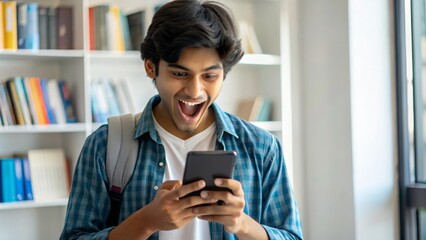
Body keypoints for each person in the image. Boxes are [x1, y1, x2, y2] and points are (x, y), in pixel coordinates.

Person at [60, 0, 303, 239]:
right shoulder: (104, 145)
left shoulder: (262, 148)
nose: (195, 90)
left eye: (209, 75)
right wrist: (147, 221)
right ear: (150, 67)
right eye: (179, 73)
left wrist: (242, 224)